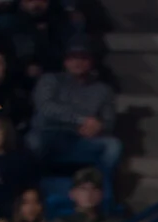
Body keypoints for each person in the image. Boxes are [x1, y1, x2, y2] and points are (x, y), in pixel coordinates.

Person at [28, 36, 119, 180]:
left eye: (83, 58)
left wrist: (99, 127)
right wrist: (81, 119)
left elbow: (109, 122)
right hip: (48, 133)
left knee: (113, 146)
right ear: (65, 61)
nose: (78, 62)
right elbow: (45, 107)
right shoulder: (50, 80)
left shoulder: (103, 90)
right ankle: (31, 188)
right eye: (73, 57)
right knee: (33, 142)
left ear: (91, 61)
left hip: (80, 138)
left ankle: (100, 190)